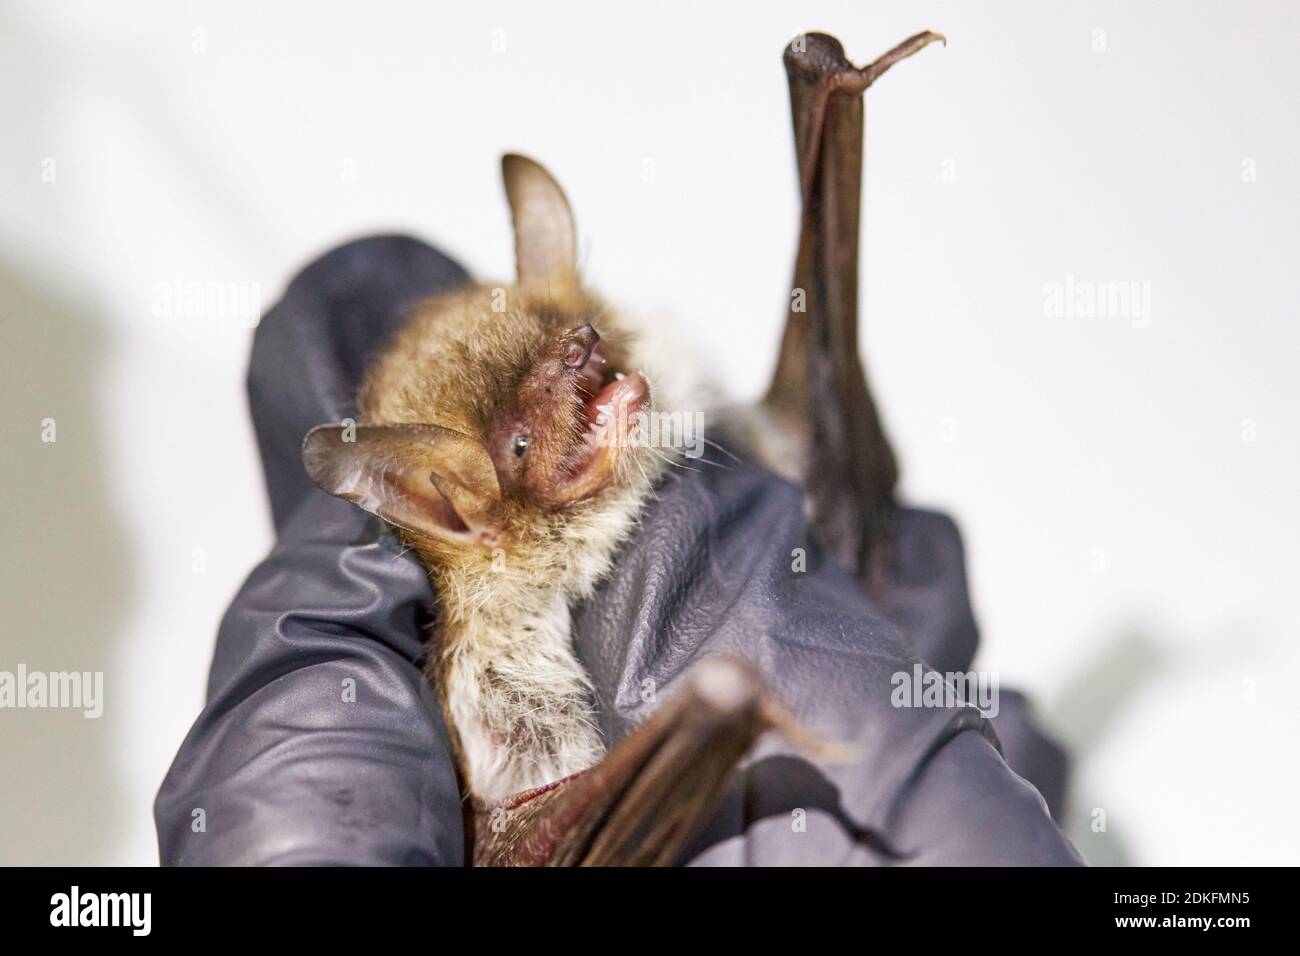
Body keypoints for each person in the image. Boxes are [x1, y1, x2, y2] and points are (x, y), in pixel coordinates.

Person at [154, 235, 1080, 866]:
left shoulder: (705, 458)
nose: (583, 362)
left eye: (570, 344)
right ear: (455, 506)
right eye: (521, 440)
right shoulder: (384, 644)